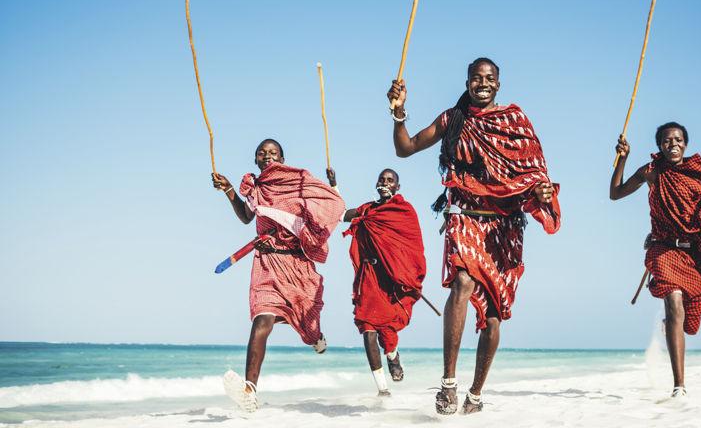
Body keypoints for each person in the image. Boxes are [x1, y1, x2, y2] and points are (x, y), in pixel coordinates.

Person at [386, 57, 561, 414]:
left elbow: (533, 174)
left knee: (494, 315)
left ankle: (475, 395)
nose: (482, 83)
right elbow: (405, 148)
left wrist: (541, 193)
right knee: (462, 282)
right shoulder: (453, 119)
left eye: (489, 78)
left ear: (498, 83)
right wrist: (399, 113)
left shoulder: (515, 121)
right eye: (476, 78)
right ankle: (448, 384)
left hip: (503, 228)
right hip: (463, 216)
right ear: (467, 83)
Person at [211, 138, 345, 412]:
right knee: (262, 319)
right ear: (256, 160)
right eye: (262, 153)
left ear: (282, 159)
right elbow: (247, 217)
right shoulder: (256, 189)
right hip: (267, 264)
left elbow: (330, 207)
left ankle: (314, 336)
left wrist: (334, 187)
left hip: (297, 265)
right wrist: (228, 190)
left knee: (307, 325)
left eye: (273, 153)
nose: (267, 156)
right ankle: (250, 390)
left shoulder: (298, 184)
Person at [609, 122, 701, 398]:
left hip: (695, 254)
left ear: (685, 144)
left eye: (677, 140)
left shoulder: (699, 173)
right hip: (664, 250)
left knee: (690, 322)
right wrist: (622, 159)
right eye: (666, 141)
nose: (672, 144)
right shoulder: (652, 172)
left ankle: (671, 325)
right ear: (659, 146)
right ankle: (679, 386)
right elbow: (615, 194)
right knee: (674, 304)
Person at [327, 167, 426, 396]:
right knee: (368, 330)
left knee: (387, 332)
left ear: (397, 187)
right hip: (369, 278)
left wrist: (405, 273)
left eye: (390, 180)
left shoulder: (404, 211)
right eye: (382, 179)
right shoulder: (366, 210)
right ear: (376, 183)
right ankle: (383, 389)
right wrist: (333, 185)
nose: (385, 182)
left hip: (390, 280)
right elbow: (340, 215)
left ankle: (392, 355)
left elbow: (413, 247)